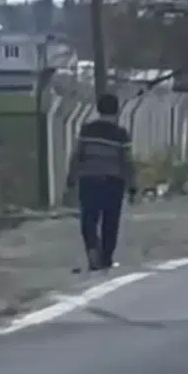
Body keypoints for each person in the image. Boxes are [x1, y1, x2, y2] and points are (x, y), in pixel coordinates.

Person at [65, 93, 136, 273]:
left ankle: (92, 249)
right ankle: (106, 257)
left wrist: (72, 177)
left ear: (98, 109)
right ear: (117, 110)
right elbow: (127, 162)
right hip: (114, 182)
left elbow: (77, 155)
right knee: (110, 222)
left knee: (89, 218)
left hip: (89, 180)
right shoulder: (121, 135)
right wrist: (132, 185)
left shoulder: (87, 130)